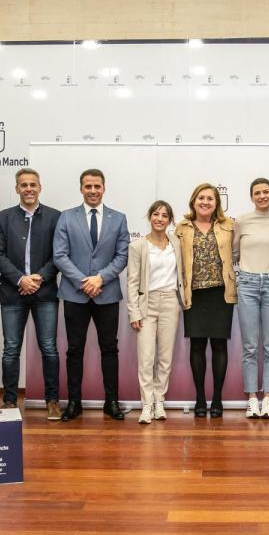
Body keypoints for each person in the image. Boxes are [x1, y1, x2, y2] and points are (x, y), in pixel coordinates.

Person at [52, 169, 129, 421]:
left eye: (97, 186)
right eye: (88, 186)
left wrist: (101, 278)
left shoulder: (118, 218)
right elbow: (60, 255)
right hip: (76, 294)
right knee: (74, 349)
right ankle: (74, 403)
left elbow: (122, 255)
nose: (93, 191)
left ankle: (112, 401)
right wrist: (83, 282)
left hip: (107, 293)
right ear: (81, 188)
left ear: (104, 188)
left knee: (110, 349)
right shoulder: (66, 217)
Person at [0, 168, 61, 415]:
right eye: (24, 185)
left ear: (40, 187)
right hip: (13, 293)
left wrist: (40, 277)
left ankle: (52, 401)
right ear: (17, 189)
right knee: (11, 348)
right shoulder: (2, 218)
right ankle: (10, 401)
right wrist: (21, 279)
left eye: (33, 184)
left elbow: (59, 255)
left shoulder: (55, 217)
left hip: (45, 293)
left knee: (49, 347)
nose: (29, 188)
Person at [175, 183, 237, 418]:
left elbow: (241, 251)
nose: (205, 202)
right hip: (195, 294)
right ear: (193, 201)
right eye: (201, 198)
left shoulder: (228, 226)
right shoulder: (182, 228)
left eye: (210, 199)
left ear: (216, 203)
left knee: (219, 345)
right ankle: (200, 398)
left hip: (221, 293)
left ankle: (218, 399)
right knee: (198, 346)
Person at [235, 178, 269, 419]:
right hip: (246, 283)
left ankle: (268, 398)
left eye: (266, 191)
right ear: (252, 196)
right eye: (257, 192)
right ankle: (252, 399)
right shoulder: (242, 221)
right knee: (249, 346)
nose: (262, 196)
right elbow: (234, 252)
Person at [126, 201, 184, 424]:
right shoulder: (138, 246)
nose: (160, 218)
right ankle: (146, 404)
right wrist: (134, 312)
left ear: (170, 220)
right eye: (156, 214)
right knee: (146, 357)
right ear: (149, 217)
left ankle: (160, 400)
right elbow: (132, 282)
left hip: (171, 302)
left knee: (165, 358)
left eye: (164, 215)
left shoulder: (176, 244)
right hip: (146, 304)